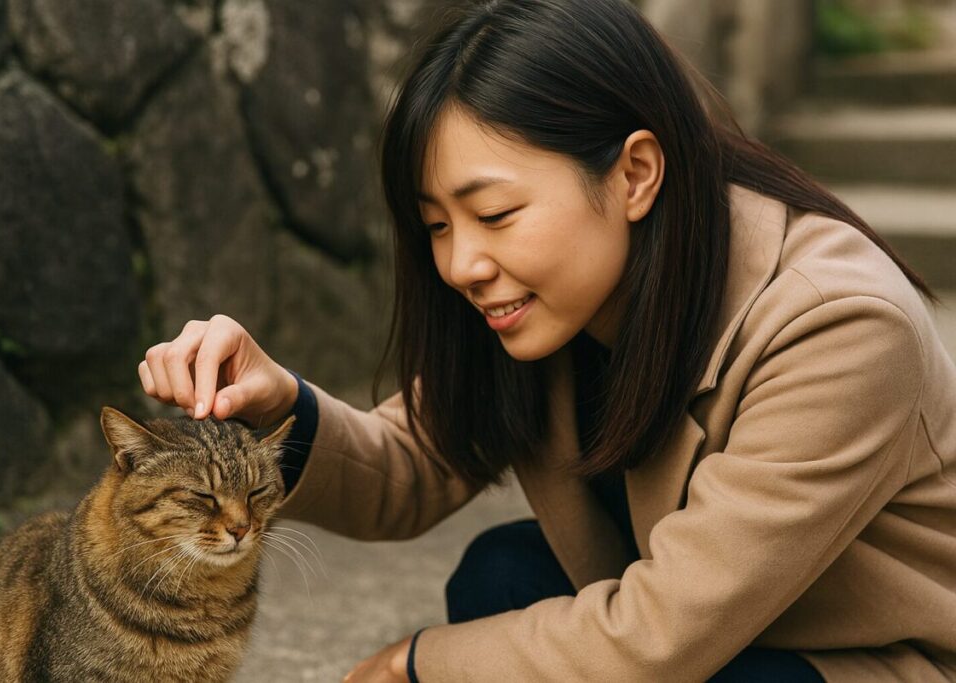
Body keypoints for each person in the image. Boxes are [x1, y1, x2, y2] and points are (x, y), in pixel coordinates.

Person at [138, 0, 956, 681]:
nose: (462, 262)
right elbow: (412, 462)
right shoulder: (557, 294)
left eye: (493, 214)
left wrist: (412, 664)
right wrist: (278, 401)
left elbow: (662, 632)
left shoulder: (836, 326)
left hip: (857, 657)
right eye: (436, 224)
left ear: (635, 173)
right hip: (718, 625)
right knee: (501, 575)